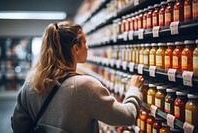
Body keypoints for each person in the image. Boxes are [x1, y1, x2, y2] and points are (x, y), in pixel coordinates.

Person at [11, 21, 144, 133]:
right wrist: (134, 89)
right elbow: (127, 117)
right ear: (75, 49)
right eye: (85, 43)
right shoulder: (85, 87)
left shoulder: (32, 81)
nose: (87, 47)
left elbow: (17, 124)